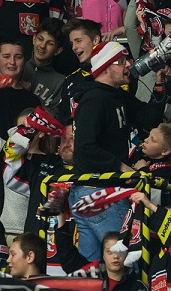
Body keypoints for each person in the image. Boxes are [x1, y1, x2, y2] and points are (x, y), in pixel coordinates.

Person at [70, 41, 163, 261]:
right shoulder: (94, 99)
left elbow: (148, 118)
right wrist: (122, 168)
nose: (129, 65)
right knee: (126, 260)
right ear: (106, 66)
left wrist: (160, 84)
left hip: (97, 190)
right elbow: (84, 147)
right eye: (121, 61)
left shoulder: (116, 95)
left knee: (92, 267)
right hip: (99, 191)